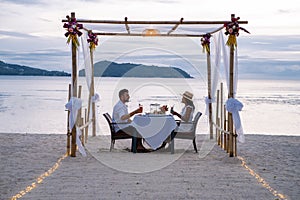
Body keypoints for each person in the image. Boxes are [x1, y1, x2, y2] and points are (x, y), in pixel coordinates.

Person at [112, 89, 150, 153]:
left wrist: (133, 122)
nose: (129, 97)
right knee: (137, 127)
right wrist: (135, 112)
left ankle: (139, 145)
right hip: (120, 128)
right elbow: (123, 118)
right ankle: (138, 146)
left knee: (138, 125)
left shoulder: (122, 105)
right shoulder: (120, 106)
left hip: (120, 126)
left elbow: (126, 119)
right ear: (122, 96)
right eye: (127, 95)